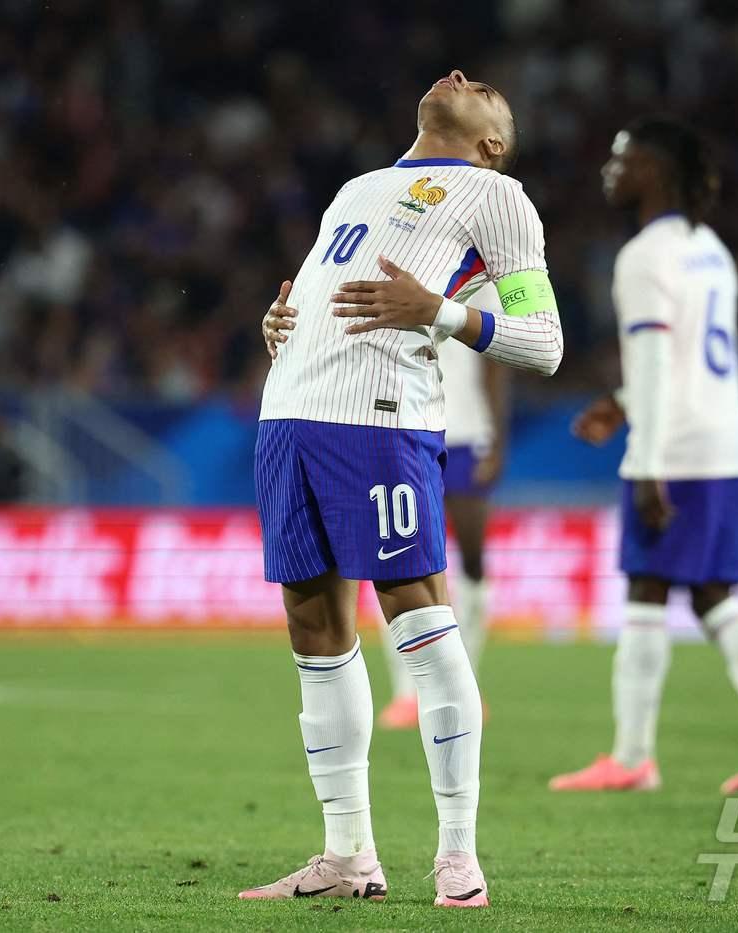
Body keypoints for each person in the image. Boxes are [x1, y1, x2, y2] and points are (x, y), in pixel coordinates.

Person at [244, 69, 563, 908]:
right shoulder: (357, 186)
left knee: (418, 608)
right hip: (289, 416)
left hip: (381, 420)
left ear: (493, 140)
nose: (459, 75)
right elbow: (323, 293)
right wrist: (283, 322)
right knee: (313, 623)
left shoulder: (499, 199)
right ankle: (346, 852)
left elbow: (543, 342)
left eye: (486, 86)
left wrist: (442, 311)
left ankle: (457, 852)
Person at [549, 117, 738, 795]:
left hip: (682, 451)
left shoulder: (644, 256)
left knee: (693, 592)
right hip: (724, 438)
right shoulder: (709, 248)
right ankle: (636, 754)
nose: (610, 169)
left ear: (657, 171)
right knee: (668, 589)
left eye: (623, 158)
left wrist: (646, 462)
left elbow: (653, 363)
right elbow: (679, 363)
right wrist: (620, 400)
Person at [376, 282, 509, 730]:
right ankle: (406, 693)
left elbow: (495, 364)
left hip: (467, 433)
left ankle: (466, 683)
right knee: (398, 559)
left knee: (472, 562)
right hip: (406, 428)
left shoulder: (482, 282)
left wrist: (498, 440)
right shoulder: (400, 261)